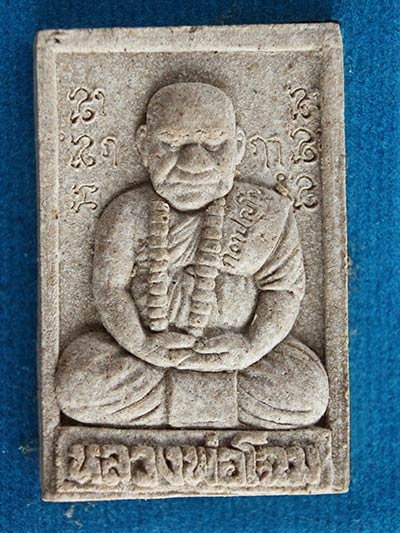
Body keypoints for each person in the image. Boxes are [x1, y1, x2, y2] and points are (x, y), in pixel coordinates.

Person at [56, 82, 328, 428]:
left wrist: (251, 347)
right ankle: (216, 407)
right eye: (171, 145)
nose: (194, 163)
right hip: (146, 360)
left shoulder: (267, 213)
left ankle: (180, 406)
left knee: (309, 392)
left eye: (214, 146)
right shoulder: (126, 214)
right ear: (144, 146)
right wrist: (142, 344)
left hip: (239, 362)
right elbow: (110, 289)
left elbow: (284, 290)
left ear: (239, 147)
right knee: (76, 383)